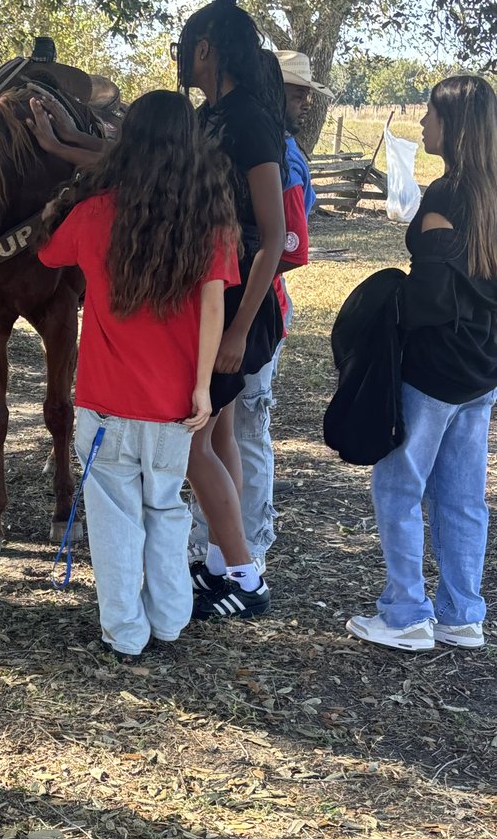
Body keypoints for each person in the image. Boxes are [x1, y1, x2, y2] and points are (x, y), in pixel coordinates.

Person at [36, 91, 240, 660]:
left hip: (105, 404)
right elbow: (215, 310)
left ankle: (126, 631)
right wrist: (201, 386)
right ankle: (171, 619)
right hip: (176, 403)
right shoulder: (212, 219)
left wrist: (75, 183)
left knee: (114, 518)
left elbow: (49, 253)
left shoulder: (95, 213)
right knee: (167, 509)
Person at [347, 75, 497, 651]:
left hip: (434, 367)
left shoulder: (445, 196)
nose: (422, 123)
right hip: (482, 367)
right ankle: (462, 613)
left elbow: (432, 296)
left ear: (453, 125)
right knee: (462, 495)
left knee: (398, 484)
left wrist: (387, 309)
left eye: (431, 114)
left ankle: (406, 611)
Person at [174, 0, 291, 621]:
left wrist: (240, 332)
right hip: (210, 293)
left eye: (189, 46)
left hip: (242, 302)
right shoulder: (205, 118)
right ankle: (221, 565)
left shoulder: (249, 120)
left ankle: (246, 576)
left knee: (192, 442)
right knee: (215, 434)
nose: (183, 55)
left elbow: (272, 238)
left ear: (210, 50)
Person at [187, 48, 319, 577]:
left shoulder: (274, 153)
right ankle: (223, 555)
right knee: (226, 435)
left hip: (253, 313)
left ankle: (247, 553)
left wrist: (240, 324)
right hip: (243, 312)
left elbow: (286, 245)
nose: (303, 100)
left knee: (240, 433)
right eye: (295, 89)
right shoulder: (261, 144)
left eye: (304, 91)